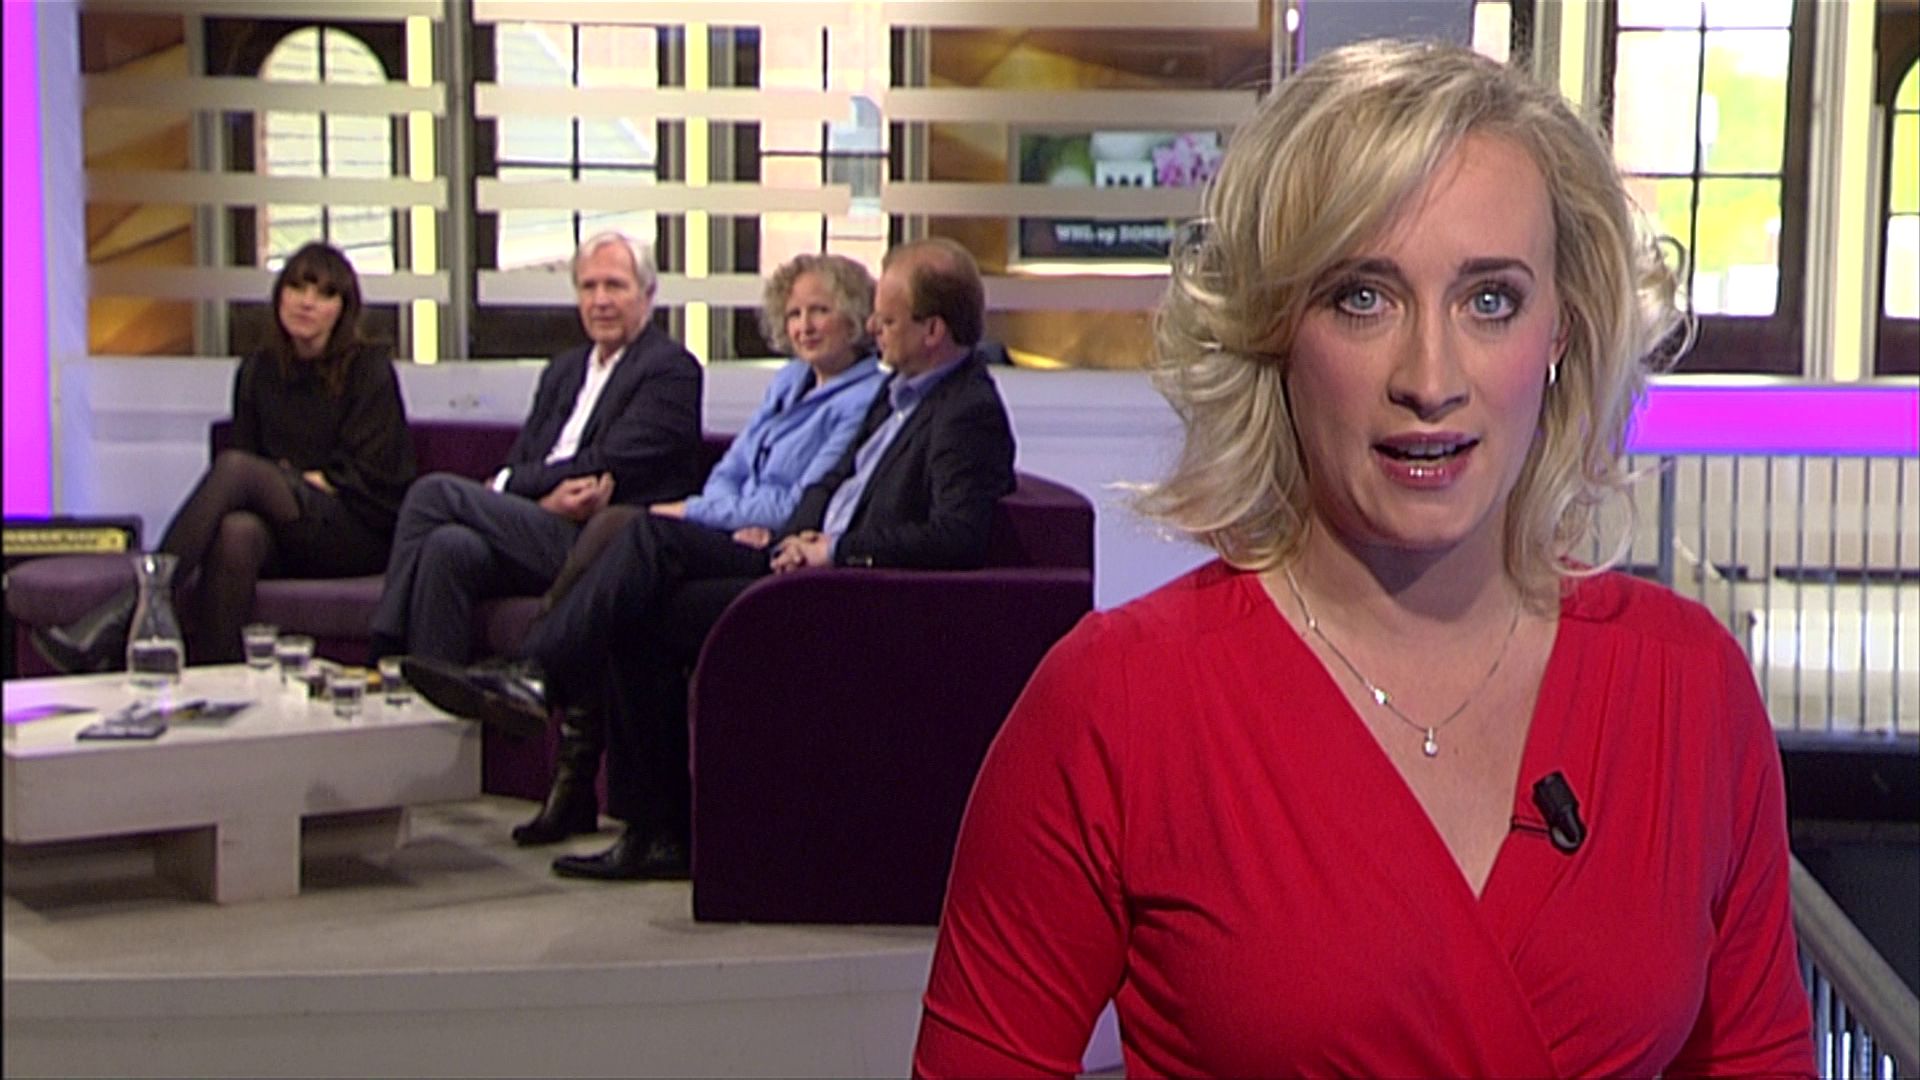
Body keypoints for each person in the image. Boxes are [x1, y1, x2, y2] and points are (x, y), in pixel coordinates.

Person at [914, 40, 1813, 1078]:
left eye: (1490, 300)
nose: (1430, 378)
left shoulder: (1688, 688)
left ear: (1561, 332)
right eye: (1361, 298)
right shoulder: (1115, 705)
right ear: (1274, 331)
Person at [407, 236, 1018, 881]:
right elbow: (829, 484)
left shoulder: (965, 410)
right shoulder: (899, 393)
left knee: (643, 539)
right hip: (795, 558)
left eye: (886, 320)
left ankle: (537, 676)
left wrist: (833, 549)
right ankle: (656, 833)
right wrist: (794, 534)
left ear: (932, 331)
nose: (873, 330)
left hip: (848, 590)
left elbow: (956, 536)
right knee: (641, 590)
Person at [509, 252, 887, 847]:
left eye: (820, 312)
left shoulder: (865, 398)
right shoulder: (789, 381)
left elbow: (801, 501)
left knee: (637, 530)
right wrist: (715, 511)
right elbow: (730, 472)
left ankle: (537, 675)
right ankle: (624, 810)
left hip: (781, 551)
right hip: (733, 532)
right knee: (628, 566)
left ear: (856, 318)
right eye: (794, 314)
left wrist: (695, 513)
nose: (804, 326)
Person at [34, 242, 415, 670]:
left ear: (343, 310)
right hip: (286, 526)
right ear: (280, 296)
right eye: (296, 288)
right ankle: (220, 682)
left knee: (236, 470)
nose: (306, 303)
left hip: (354, 531)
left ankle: (129, 610)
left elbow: (376, 476)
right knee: (236, 531)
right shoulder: (258, 370)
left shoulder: (368, 369)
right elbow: (251, 470)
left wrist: (286, 480)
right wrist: (282, 482)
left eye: (324, 294)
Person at [367, 231, 704, 665]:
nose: (600, 300)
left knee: (432, 494)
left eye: (615, 286)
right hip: (541, 525)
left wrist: (506, 486)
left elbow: (608, 462)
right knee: (448, 547)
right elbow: (525, 457)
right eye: (588, 287)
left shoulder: (670, 369)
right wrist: (543, 501)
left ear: (648, 294)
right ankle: (436, 691)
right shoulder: (563, 370)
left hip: (602, 543)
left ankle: (384, 646)